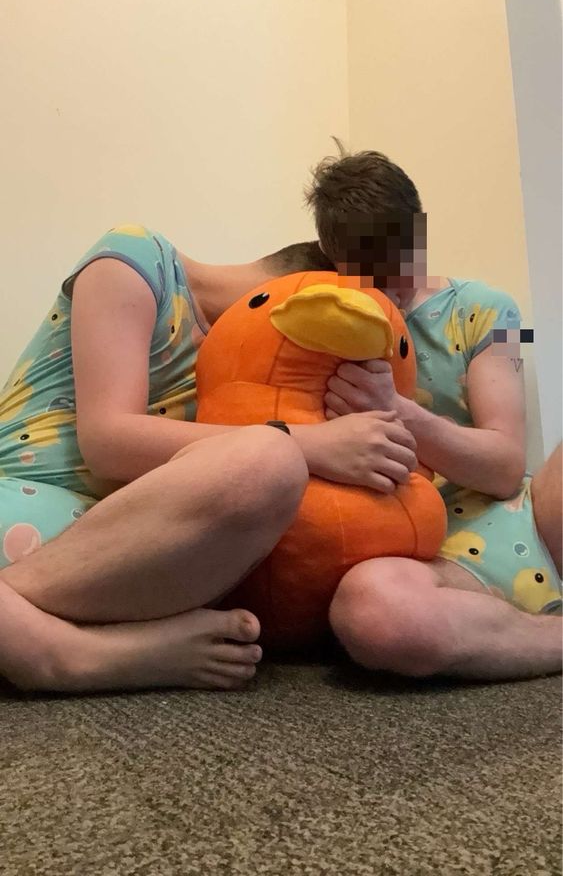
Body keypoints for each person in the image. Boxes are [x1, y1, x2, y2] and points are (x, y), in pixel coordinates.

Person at [0, 224, 419, 693]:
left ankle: (29, 628)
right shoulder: (132, 260)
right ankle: (56, 652)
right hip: (22, 502)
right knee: (269, 455)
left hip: (123, 546)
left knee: (268, 468)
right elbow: (108, 442)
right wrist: (314, 444)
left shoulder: (248, 374)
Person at [304, 144, 562, 681]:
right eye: (373, 273)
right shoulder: (319, 322)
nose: (396, 284)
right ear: (333, 259)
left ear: (420, 228)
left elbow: (505, 465)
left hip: (528, 515)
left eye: (404, 257)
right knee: (372, 613)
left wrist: (398, 412)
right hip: (427, 557)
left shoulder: (494, 309)